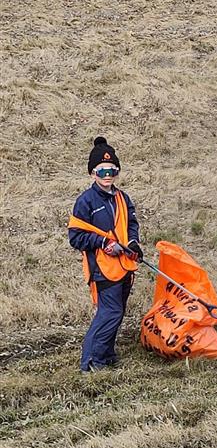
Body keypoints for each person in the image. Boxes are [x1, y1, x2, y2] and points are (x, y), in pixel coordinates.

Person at [68, 137, 143, 372]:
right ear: (92, 173)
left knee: (117, 312)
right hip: (102, 268)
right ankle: (91, 361)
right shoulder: (85, 201)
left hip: (124, 265)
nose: (108, 175)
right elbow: (76, 236)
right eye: (102, 171)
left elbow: (131, 223)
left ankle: (107, 354)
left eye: (112, 170)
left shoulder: (123, 197)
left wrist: (133, 243)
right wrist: (102, 243)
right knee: (109, 312)